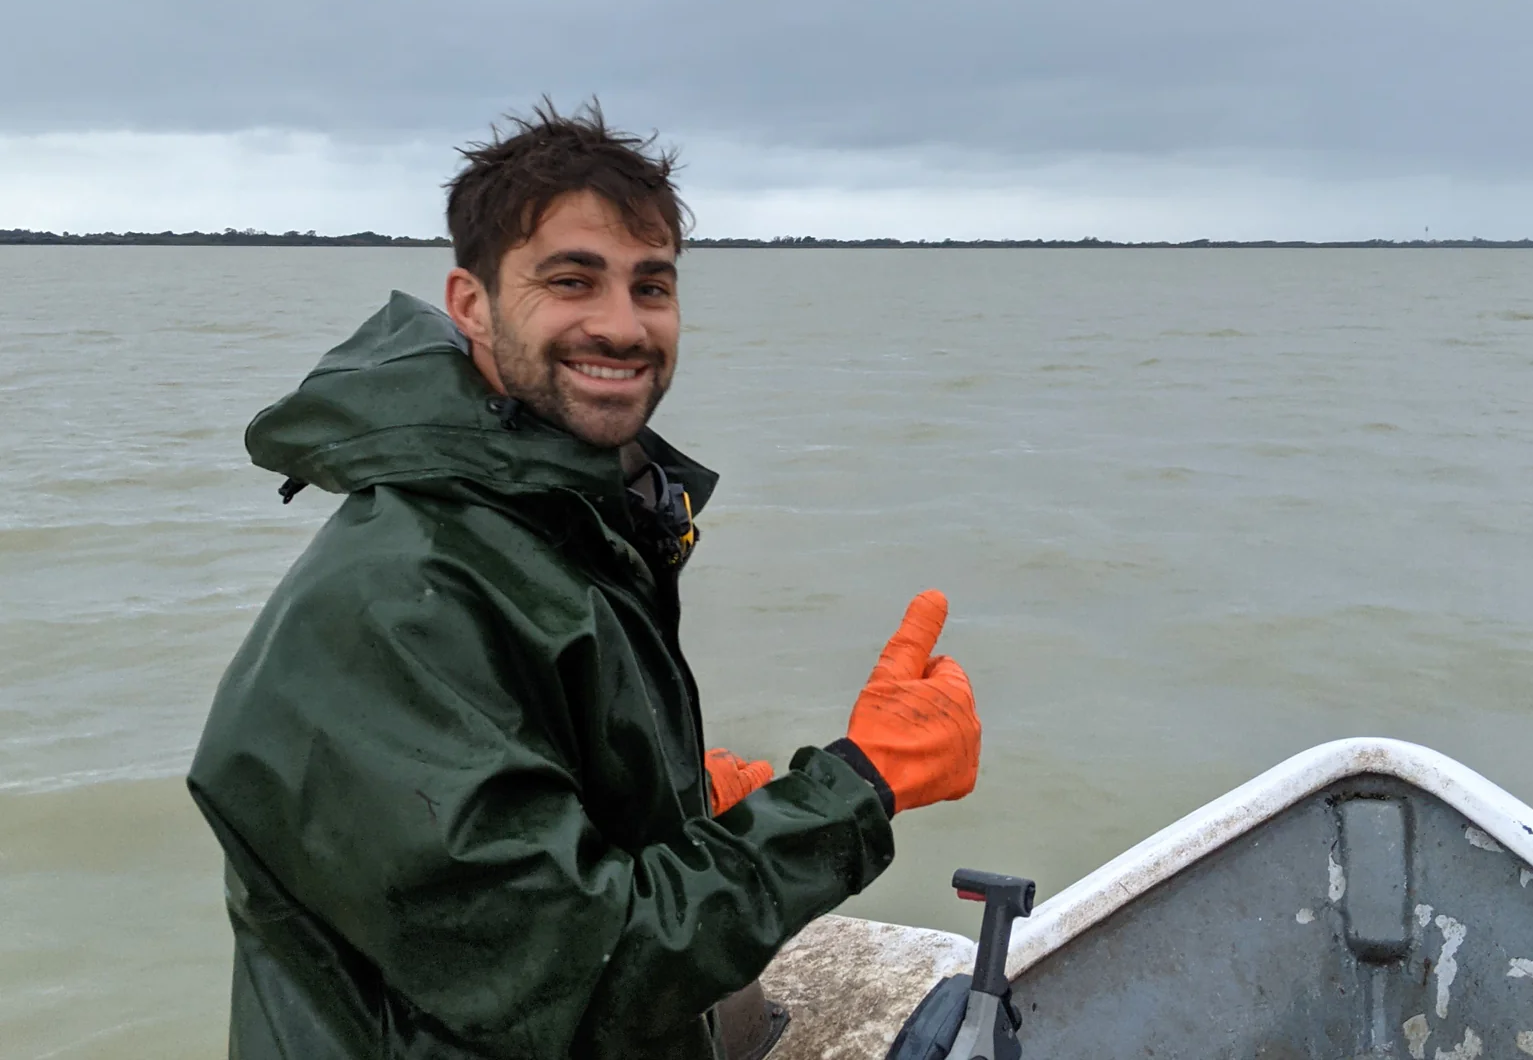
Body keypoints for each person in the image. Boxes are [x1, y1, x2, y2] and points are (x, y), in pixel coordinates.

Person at [187, 102, 982, 1060]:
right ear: (471, 304)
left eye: (652, 285)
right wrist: (860, 786)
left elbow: (499, 845)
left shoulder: (552, 515)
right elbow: (572, 973)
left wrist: (670, 803)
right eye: (571, 280)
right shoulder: (390, 602)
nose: (621, 325)